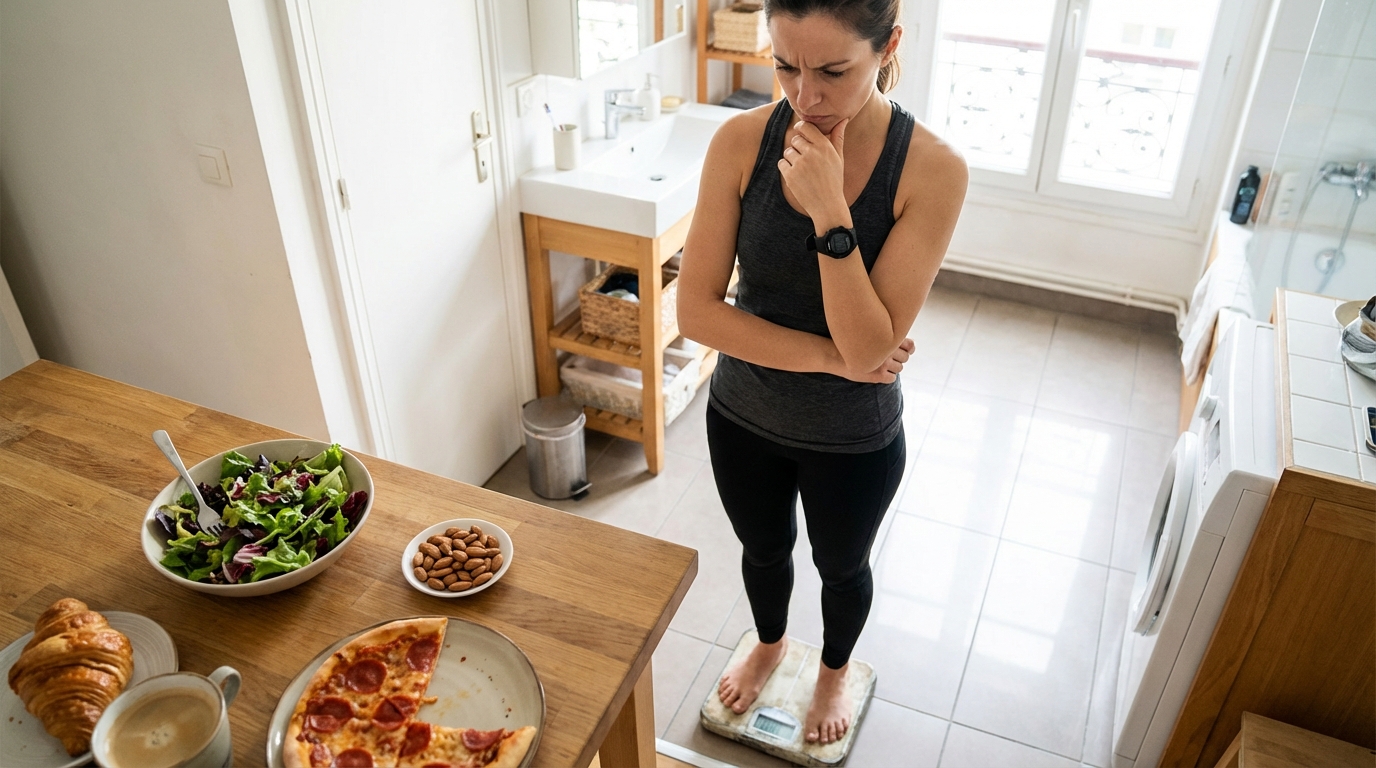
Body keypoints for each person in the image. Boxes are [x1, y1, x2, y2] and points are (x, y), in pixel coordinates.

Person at [676, 0, 968, 747]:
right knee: (763, 552)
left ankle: (834, 670)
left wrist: (831, 214)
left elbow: (871, 345)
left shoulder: (932, 170)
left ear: (888, 46)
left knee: (842, 569)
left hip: (852, 437)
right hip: (742, 417)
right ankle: (770, 644)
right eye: (785, 66)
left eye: (834, 71)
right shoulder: (740, 143)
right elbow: (698, 314)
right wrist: (837, 358)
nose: (804, 97)